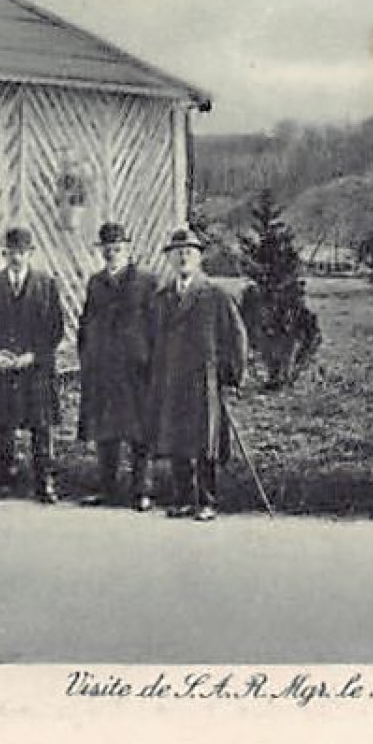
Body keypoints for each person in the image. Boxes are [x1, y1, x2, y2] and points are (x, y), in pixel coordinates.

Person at [147, 227, 249, 522]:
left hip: (204, 377)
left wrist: (231, 375)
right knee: (177, 437)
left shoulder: (215, 294)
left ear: (199, 258)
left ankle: (207, 501)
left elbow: (236, 336)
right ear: (169, 259)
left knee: (206, 441)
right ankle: (182, 499)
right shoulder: (163, 297)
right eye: (177, 254)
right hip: (171, 376)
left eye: (189, 253)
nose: (183, 258)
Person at [0, 226, 66, 504]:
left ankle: (43, 481)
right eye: (12, 252)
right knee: (3, 425)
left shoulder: (47, 285)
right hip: (0, 367)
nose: (17, 258)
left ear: (31, 253)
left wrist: (35, 355)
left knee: (41, 426)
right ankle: (4, 480)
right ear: (4, 254)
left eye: (22, 252)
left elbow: (56, 329)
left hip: (35, 368)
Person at [76, 221, 158, 510]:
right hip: (103, 367)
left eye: (117, 249)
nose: (112, 254)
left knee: (140, 432)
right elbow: (86, 321)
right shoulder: (96, 282)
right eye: (107, 249)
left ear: (128, 249)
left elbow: (155, 324)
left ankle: (141, 491)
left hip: (137, 367)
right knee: (105, 430)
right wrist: (86, 355)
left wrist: (152, 358)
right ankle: (107, 489)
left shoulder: (146, 281)